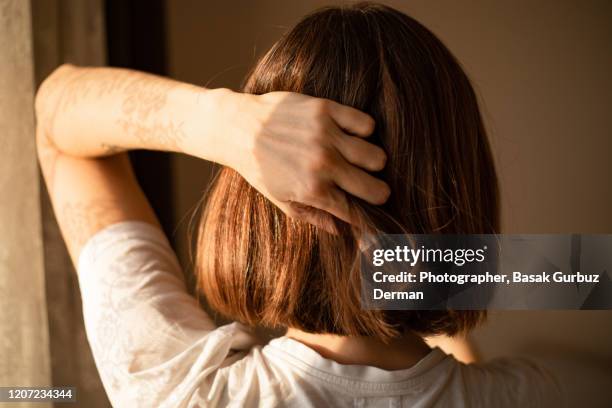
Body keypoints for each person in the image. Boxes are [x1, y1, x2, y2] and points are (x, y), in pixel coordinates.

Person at [35, 3, 567, 407]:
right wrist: (440, 267)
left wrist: (220, 121)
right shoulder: (540, 393)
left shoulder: (178, 389)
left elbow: (57, 116)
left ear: (252, 197)